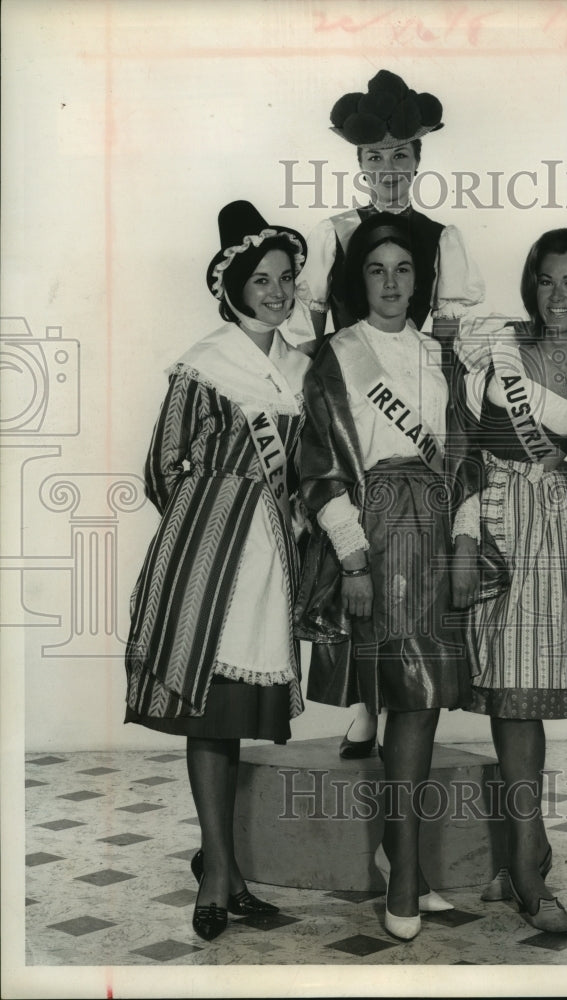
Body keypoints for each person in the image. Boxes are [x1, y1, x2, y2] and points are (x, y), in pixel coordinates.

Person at [124, 200, 313, 941]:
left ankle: (225, 871)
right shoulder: (203, 364)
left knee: (236, 716)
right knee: (208, 718)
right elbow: (161, 467)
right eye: (261, 279)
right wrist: (208, 528)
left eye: (286, 278)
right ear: (232, 287)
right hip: (208, 562)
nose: (276, 291)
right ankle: (217, 877)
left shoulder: (302, 369)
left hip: (271, 566)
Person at [294, 213, 481, 940]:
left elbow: (464, 458)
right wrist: (352, 557)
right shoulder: (336, 354)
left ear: (420, 281)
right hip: (375, 530)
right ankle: (404, 875)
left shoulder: (441, 358)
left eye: (404, 270)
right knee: (408, 696)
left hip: (435, 530)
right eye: (377, 270)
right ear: (358, 280)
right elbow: (318, 466)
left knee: (423, 703)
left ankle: (405, 862)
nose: (392, 283)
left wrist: (464, 544)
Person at [296, 67, 485, 759]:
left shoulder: (440, 236)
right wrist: (318, 398)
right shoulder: (334, 231)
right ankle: (362, 708)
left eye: (400, 155)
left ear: (417, 160)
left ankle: (402, 709)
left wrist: (436, 398)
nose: (388, 169)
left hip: (413, 403)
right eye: (375, 158)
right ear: (359, 165)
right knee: (353, 564)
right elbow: (311, 326)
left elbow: (445, 337)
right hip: (350, 394)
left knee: (413, 587)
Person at [453, 227, 567, 934]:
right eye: (546, 279)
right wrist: (467, 536)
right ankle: (521, 854)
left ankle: (525, 860)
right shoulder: (495, 349)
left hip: (548, 544)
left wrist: (537, 505)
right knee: (490, 692)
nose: (555, 295)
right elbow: (461, 450)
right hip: (477, 524)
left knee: (519, 696)